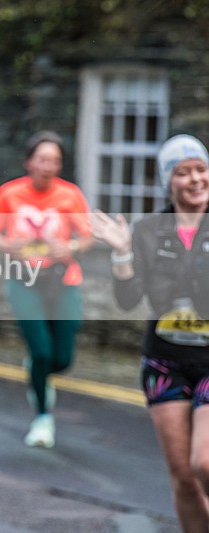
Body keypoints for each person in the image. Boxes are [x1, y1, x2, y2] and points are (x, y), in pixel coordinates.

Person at [92, 134, 209, 532]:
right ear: (168, 180)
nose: (195, 179)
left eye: (201, 169)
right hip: (165, 362)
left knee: (205, 462)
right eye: (183, 172)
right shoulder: (148, 230)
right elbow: (128, 299)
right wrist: (123, 252)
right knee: (185, 479)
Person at [0, 131, 93, 448]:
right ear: (29, 162)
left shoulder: (70, 195)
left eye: (55, 160)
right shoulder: (10, 193)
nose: (49, 166)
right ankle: (43, 417)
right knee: (42, 351)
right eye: (43, 159)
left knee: (62, 358)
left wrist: (69, 245)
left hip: (63, 278)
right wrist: (7, 244)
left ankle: (38, 370)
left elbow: (86, 238)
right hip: (24, 280)